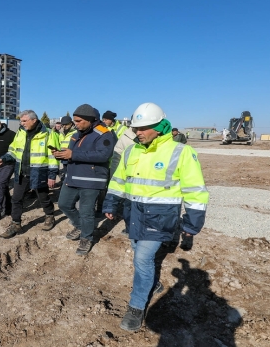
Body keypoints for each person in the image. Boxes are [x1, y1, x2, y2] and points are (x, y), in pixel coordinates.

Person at [102, 102, 209, 332]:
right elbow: (119, 180)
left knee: (142, 259)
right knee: (138, 254)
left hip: (160, 219)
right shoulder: (131, 150)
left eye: (143, 128)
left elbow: (195, 190)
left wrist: (192, 223)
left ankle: (136, 306)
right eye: (135, 128)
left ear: (160, 126)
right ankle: (152, 282)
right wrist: (111, 203)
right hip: (133, 215)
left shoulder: (181, 152)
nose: (137, 132)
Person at [54, 104, 116, 255]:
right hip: (72, 176)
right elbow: (72, 152)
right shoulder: (76, 133)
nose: (76, 124)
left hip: (91, 180)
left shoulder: (104, 134)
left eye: (79, 121)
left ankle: (86, 237)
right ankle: (81, 226)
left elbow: (103, 155)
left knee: (86, 212)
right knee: (63, 204)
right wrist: (63, 155)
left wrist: (73, 155)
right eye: (75, 121)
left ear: (90, 120)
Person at [0, 110, 60, 239]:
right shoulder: (20, 133)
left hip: (39, 172)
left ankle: (49, 216)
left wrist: (52, 175)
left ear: (34, 120)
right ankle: (16, 224)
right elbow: (13, 150)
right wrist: (3, 159)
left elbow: (53, 157)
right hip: (22, 172)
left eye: (24, 121)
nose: (22, 124)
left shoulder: (49, 134)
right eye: (21, 121)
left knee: (43, 198)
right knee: (16, 199)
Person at [58, 115, 77, 181]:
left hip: (72, 157)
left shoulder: (75, 132)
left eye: (66, 124)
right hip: (63, 157)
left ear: (71, 123)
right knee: (65, 173)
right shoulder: (61, 133)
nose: (64, 126)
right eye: (63, 125)